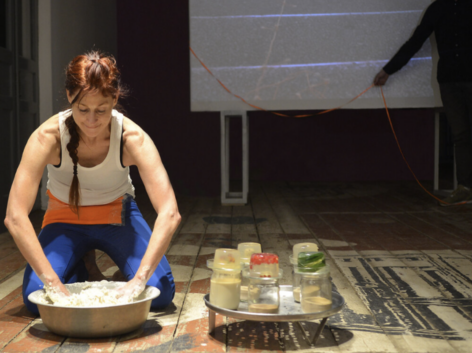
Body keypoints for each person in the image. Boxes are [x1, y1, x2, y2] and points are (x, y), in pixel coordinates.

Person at [4, 51, 180, 314]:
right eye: (82, 109)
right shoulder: (46, 138)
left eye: (102, 110)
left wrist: (139, 278)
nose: (91, 121)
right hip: (63, 221)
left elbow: (170, 213)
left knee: (160, 294)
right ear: (68, 97)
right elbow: (15, 216)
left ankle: (92, 268)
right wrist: (52, 281)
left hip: (117, 217)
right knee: (36, 298)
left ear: (115, 99)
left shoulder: (132, 138)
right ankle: (81, 267)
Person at [373, 0, 472, 206]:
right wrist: (389, 70)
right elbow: (416, 41)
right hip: (449, 81)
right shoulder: (437, 8)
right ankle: (465, 188)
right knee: (461, 135)